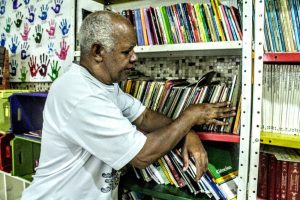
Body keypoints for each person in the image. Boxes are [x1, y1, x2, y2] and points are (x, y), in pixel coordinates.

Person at [22, 11, 236, 200]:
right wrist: (190, 116)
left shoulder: (104, 84)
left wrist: (188, 133)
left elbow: (143, 117)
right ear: (97, 52)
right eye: (126, 52)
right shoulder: (80, 94)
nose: (135, 58)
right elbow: (142, 155)